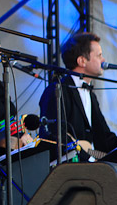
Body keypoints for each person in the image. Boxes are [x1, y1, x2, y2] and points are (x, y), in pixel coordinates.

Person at [39, 32, 117, 160]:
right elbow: (53, 133)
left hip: (93, 165)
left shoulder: (91, 94)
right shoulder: (57, 90)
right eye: (99, 56)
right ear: (82, 61)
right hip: (71, 167)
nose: (103, 60)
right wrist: (80, 148)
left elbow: (104, 136)